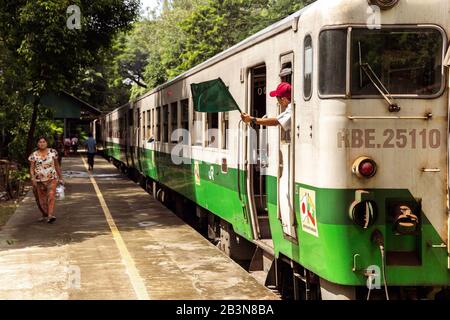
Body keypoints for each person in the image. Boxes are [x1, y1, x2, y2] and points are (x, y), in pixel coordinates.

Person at [28, 136, 64, 223]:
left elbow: (57, 165)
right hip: (39, 180)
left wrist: (61, 177)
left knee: (51, 196)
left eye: (44, 142)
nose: (42, 143)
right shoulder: (34, 155)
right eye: (40, 142)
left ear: (47, 143)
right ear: (37, 144)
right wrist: (32, 178)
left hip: (52, 178)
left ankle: (50, 215)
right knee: (41, 199)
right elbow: (31, 168)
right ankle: (45, 214)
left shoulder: (53, 152)